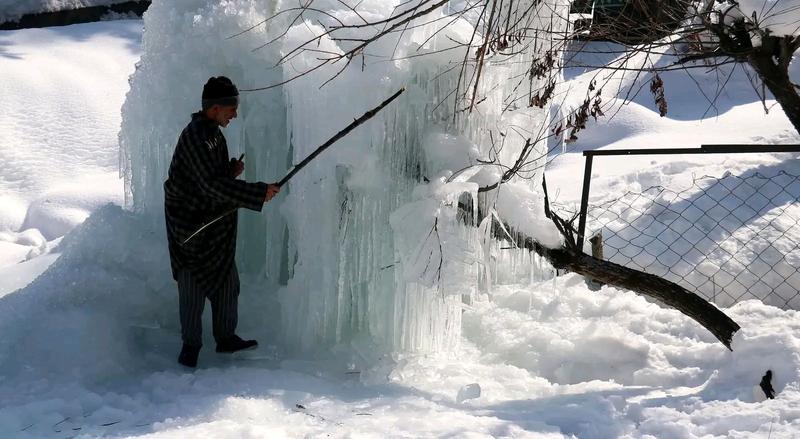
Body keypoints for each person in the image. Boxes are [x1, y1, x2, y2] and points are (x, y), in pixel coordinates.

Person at [163, 76, 280, 368]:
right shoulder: (196, 138)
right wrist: (257, 191)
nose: (235, 115)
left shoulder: (213, 134)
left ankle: (225, 338)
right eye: (231, 109)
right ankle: (190, 347)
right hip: (191, 227)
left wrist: (229, 171)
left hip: (213, 224)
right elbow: (209, 187)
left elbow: (210, 180)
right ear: (214, 108)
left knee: (227, 282)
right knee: (192, 288)